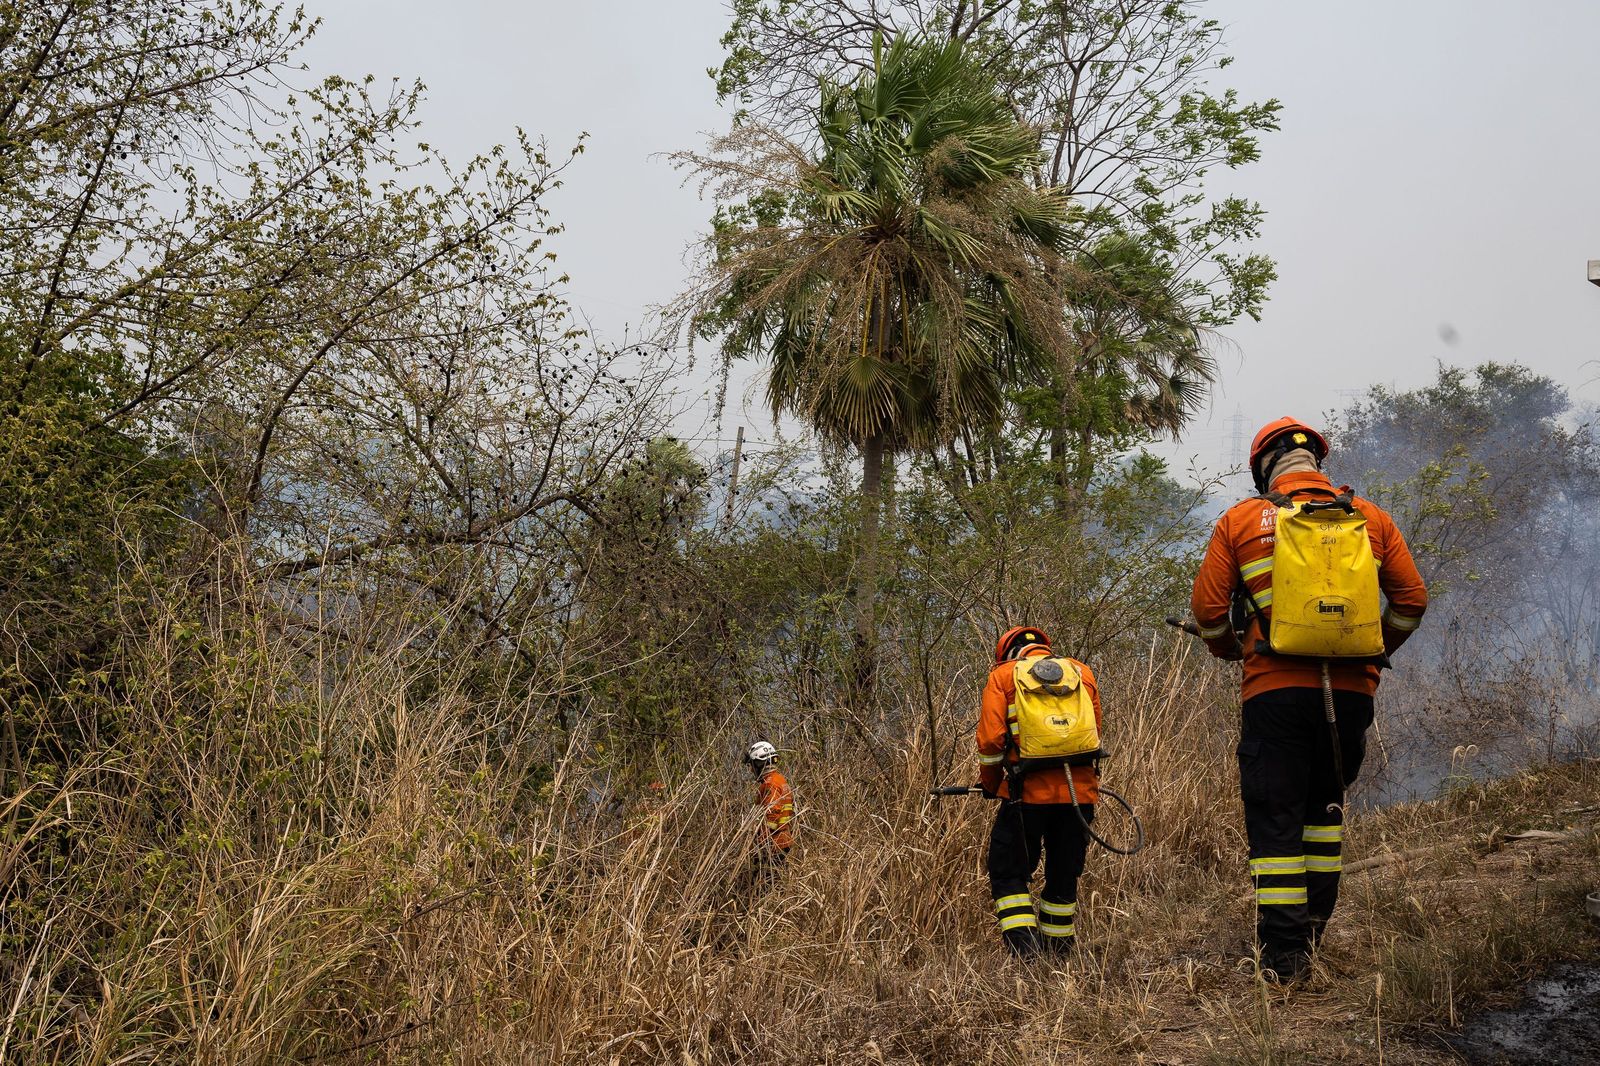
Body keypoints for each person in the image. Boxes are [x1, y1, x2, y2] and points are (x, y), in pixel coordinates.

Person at [1191, 417, 1428, 981]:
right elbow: (1412, 601)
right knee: (1325, 812)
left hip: (1274, 692)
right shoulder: (1370, 518)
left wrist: (1235, 652)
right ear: (1317, 462)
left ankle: (1284, 956)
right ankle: (1314, 933)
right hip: (1349, 694)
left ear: (1263, 467)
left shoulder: (1243, 521)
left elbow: (1206, 613)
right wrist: (1372, 652)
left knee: (1277, 819)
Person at [976, 627, 1100, 958]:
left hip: (1024, 797)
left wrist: (991, 785)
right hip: (1079, 796)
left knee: (1008, 874)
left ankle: (1027, 957)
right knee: (1063, 875)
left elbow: (990, 743)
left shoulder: (1003, 676)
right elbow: (1094, 732)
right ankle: (1058, 956)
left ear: (1007, 653)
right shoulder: (1081, 673)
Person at [743, 740, 794, 862]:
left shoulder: (770, 784)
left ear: (760, 764)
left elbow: (772, 815)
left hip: (773, 845)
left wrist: (761, 841)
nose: (751, 770)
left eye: (753, 765)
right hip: (783, 841)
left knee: (764, 880)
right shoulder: (780, 779)